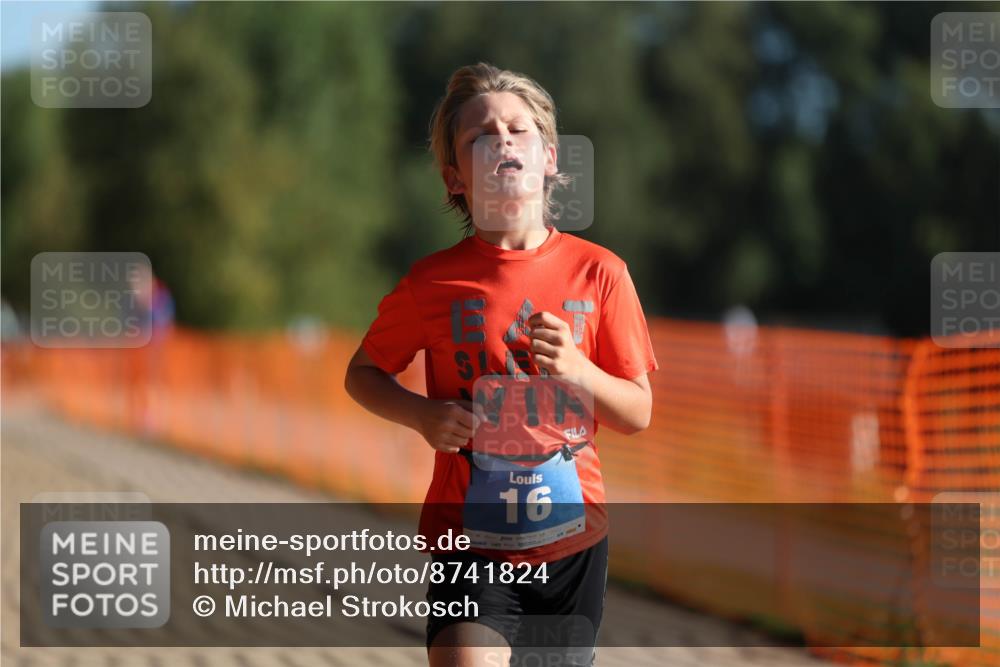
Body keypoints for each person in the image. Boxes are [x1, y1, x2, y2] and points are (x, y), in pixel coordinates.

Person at [344, 62, 658, 667]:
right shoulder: (432, 283)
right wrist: (421, 415)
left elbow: (638, 411)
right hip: (469, 539)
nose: (503, 142)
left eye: (519, 130)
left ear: (550, 159)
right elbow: (362, 375)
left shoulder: (601, 274)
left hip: (572, 542)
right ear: (455, 177)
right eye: (481, 137)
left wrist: (579, 371)